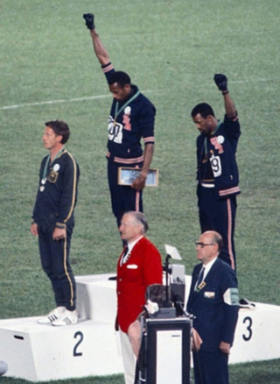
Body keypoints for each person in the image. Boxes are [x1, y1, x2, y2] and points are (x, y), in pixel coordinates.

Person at [83, 13, 156, 227]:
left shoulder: (144, 106)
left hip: (131, 166)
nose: (113, 96)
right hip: (113, 162)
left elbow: (150, 143)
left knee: (132, 214)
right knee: (117, 212)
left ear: (126, 87)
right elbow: (103, 58)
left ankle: (138, 256)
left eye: (116, 93)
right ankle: (126, 254)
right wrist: (92, 30)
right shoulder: (116, 84)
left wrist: (143, 172)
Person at [30, 120, 80, 326]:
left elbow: (70, 196)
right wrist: (35, 219)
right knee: (48, 265)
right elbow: (41, 192)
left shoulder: (69, 162)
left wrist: (62, 224)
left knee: (61, 266)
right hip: (43, 221)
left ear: (59, 138)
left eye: (48, 134)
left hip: (59, 223)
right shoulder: (46, 161)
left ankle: (71, 309)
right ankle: (60, 306)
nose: (44, 137)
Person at [191, 74, 241, 270]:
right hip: (205, 194)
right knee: (207, 240)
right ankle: (211, 283)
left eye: (199, 122)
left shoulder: (227, 132)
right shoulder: (200, 139)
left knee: (224, 243)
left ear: (210, 118)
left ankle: (231, 289)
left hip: (223, 194)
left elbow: (232, 115)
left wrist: (225, 91)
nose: (198, 127)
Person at [187, 231, 239, 384]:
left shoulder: (225, 273)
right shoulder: (198, 270)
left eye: (202, 245)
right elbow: (192, 303)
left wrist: (227, 339)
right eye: (198, 244)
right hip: (197, 341)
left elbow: (232, 307)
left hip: (215, 343)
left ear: (215, 247)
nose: (198, 248)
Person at [116, 211, 162, 384]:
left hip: (138, 323)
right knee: (129, 369)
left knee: (142, 369)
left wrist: (142, 319)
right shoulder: (127, 251)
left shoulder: (148, 251)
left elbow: (155, 291)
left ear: (139, 228)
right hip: (124, 321)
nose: (121, 228)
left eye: (125, 225)